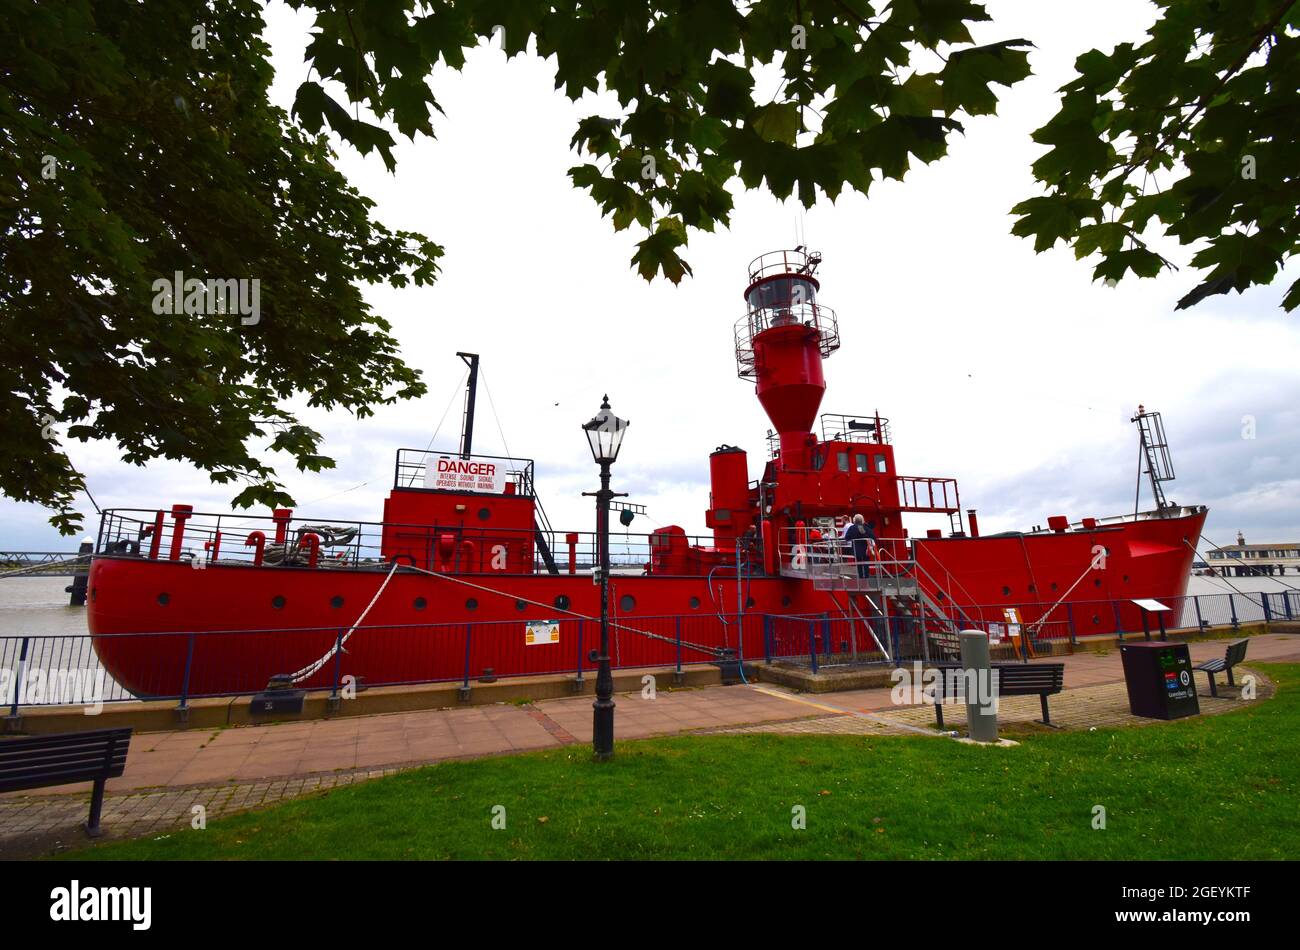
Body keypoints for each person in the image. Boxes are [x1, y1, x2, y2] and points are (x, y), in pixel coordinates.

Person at [841, 513, 876, 578]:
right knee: (866, 564)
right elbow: (873, 537)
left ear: (855, 520)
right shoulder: (866, 527)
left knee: (859, 564)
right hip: (866, 549)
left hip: (856, 549)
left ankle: (861, 578)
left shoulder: (852, 528)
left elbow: (847, 538)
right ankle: (866, 577)